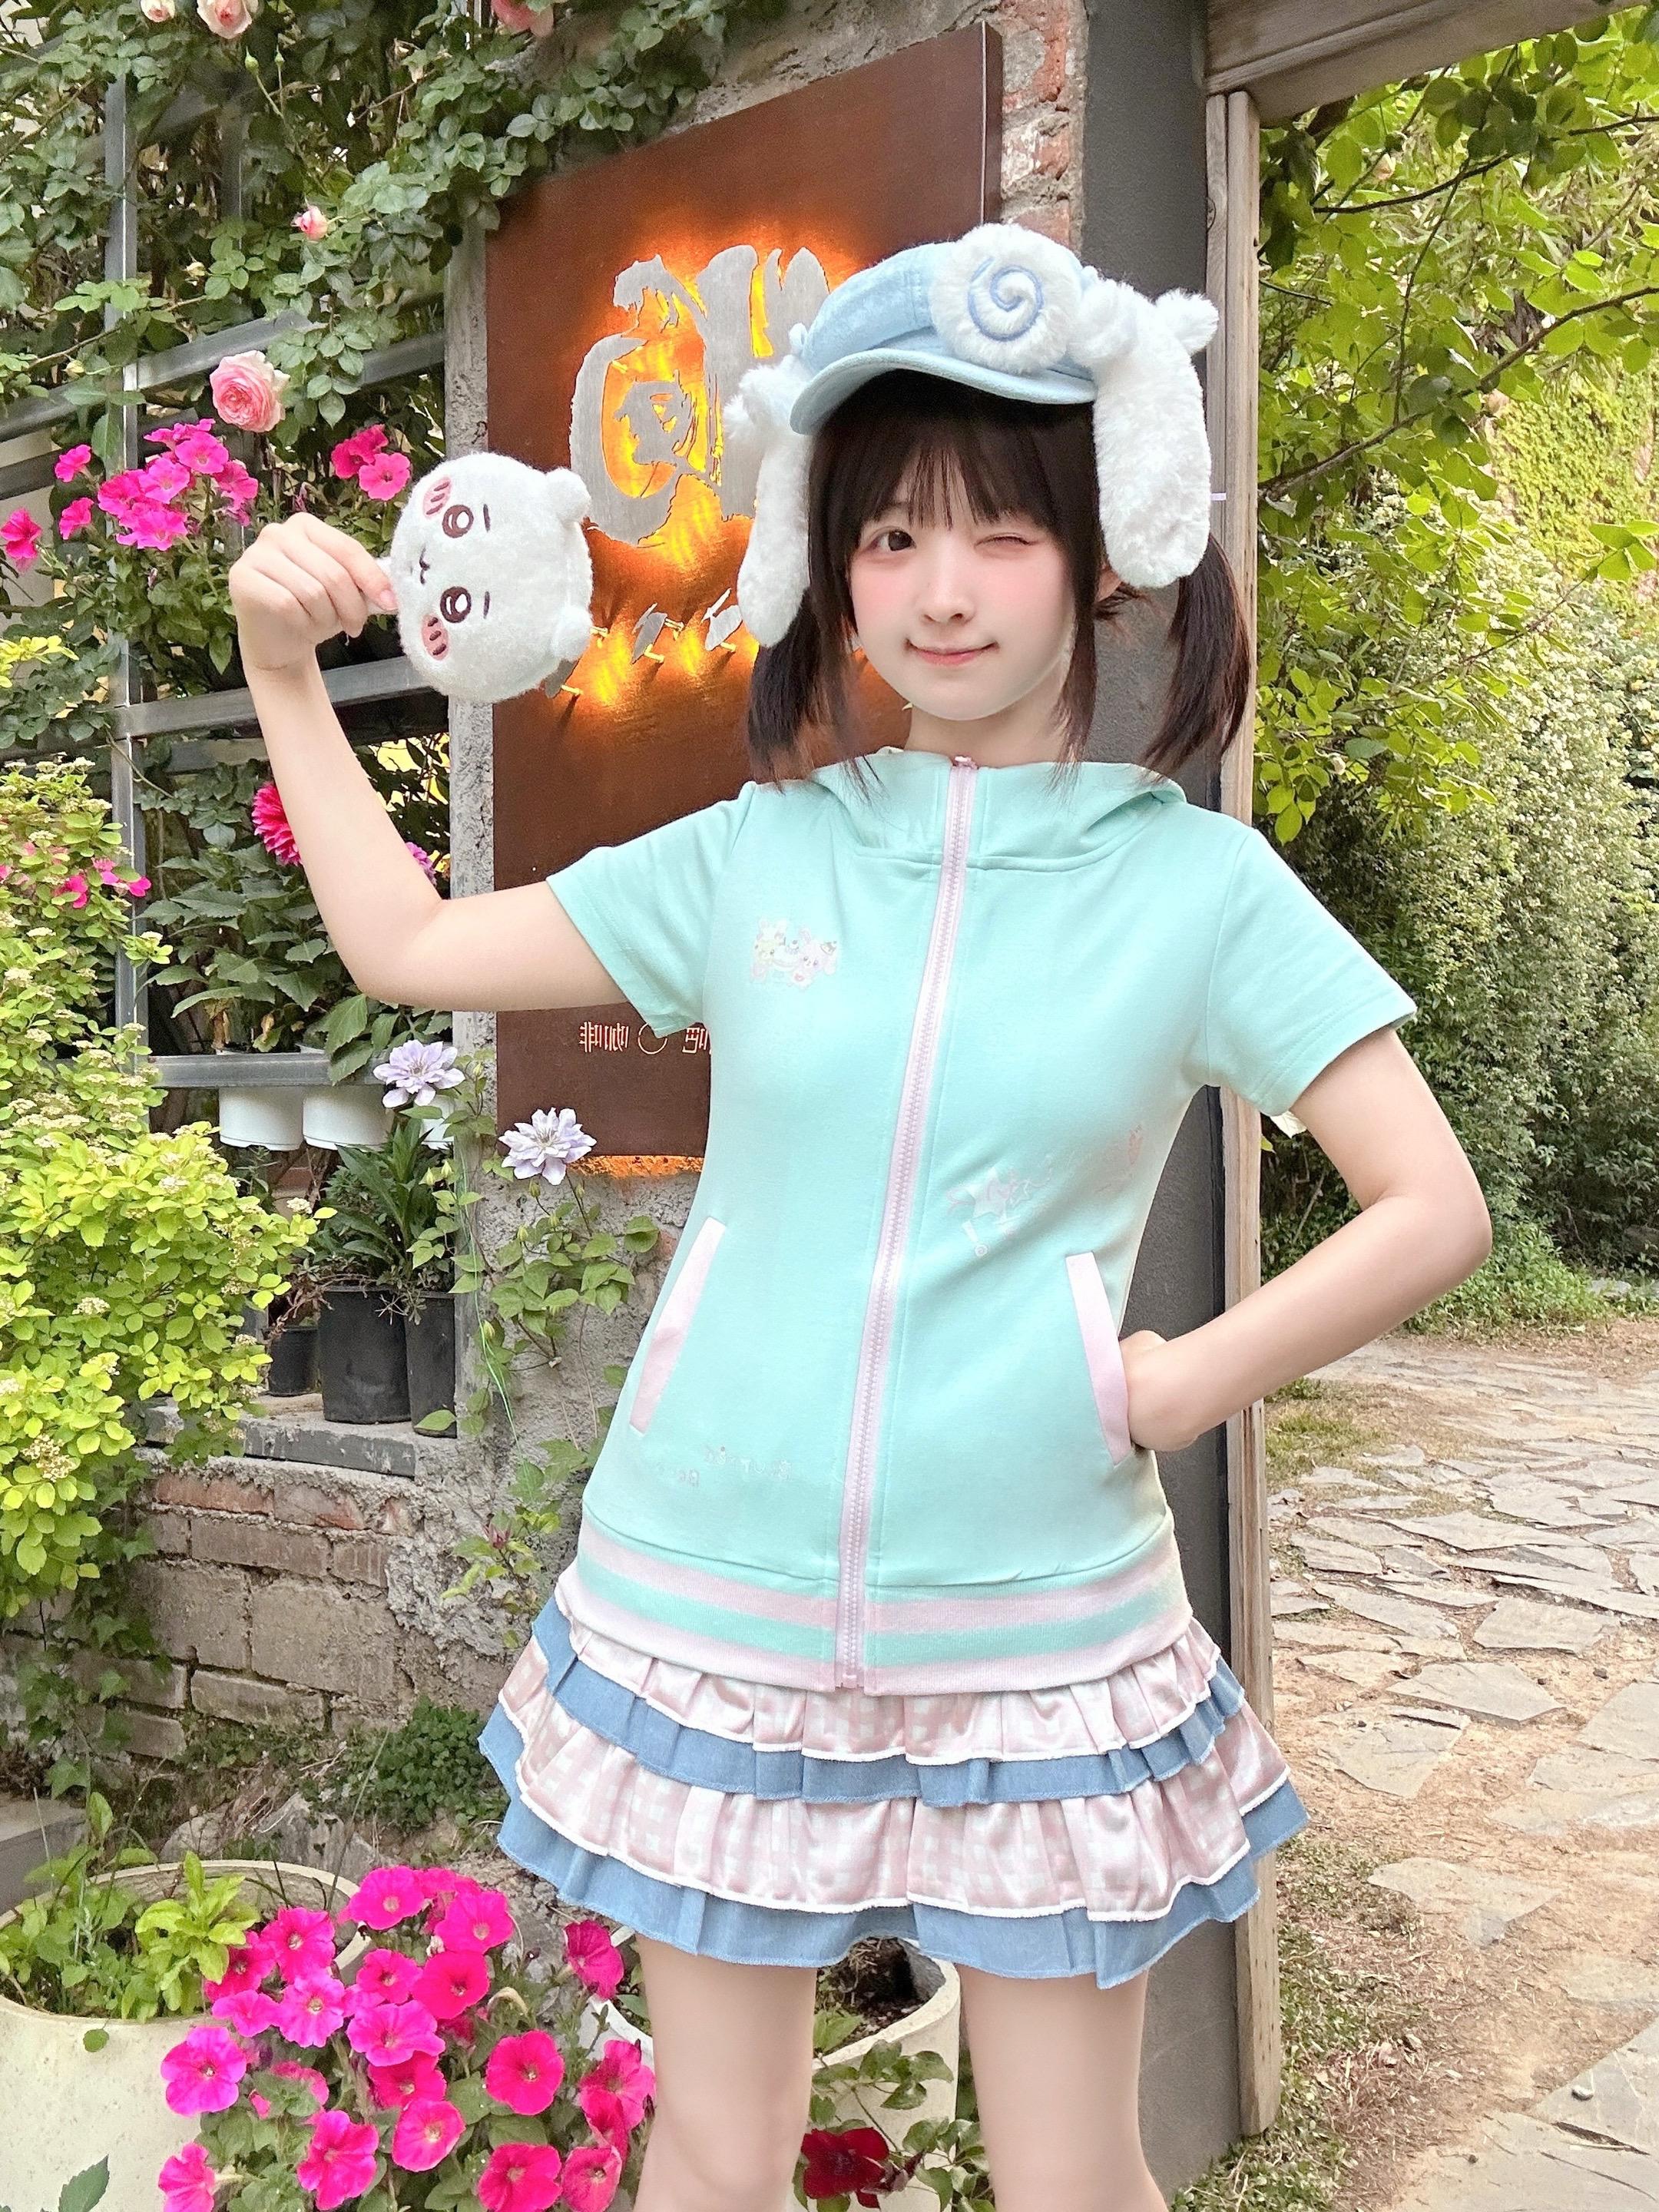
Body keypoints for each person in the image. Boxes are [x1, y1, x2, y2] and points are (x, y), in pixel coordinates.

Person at [227, 222, 1492, 2212]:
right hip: (705, 1600)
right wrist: (285, 672)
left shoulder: (1200, 890)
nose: (941, 591)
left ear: (1100, 550)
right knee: (716, 2157)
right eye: (891, 537)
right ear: (832, 563)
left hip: (1041, 1621)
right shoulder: (759, 855)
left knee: (1071, 2179)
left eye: (999, 532)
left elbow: (1430, 1204)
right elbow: (406, 945)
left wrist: (1177, 1383)